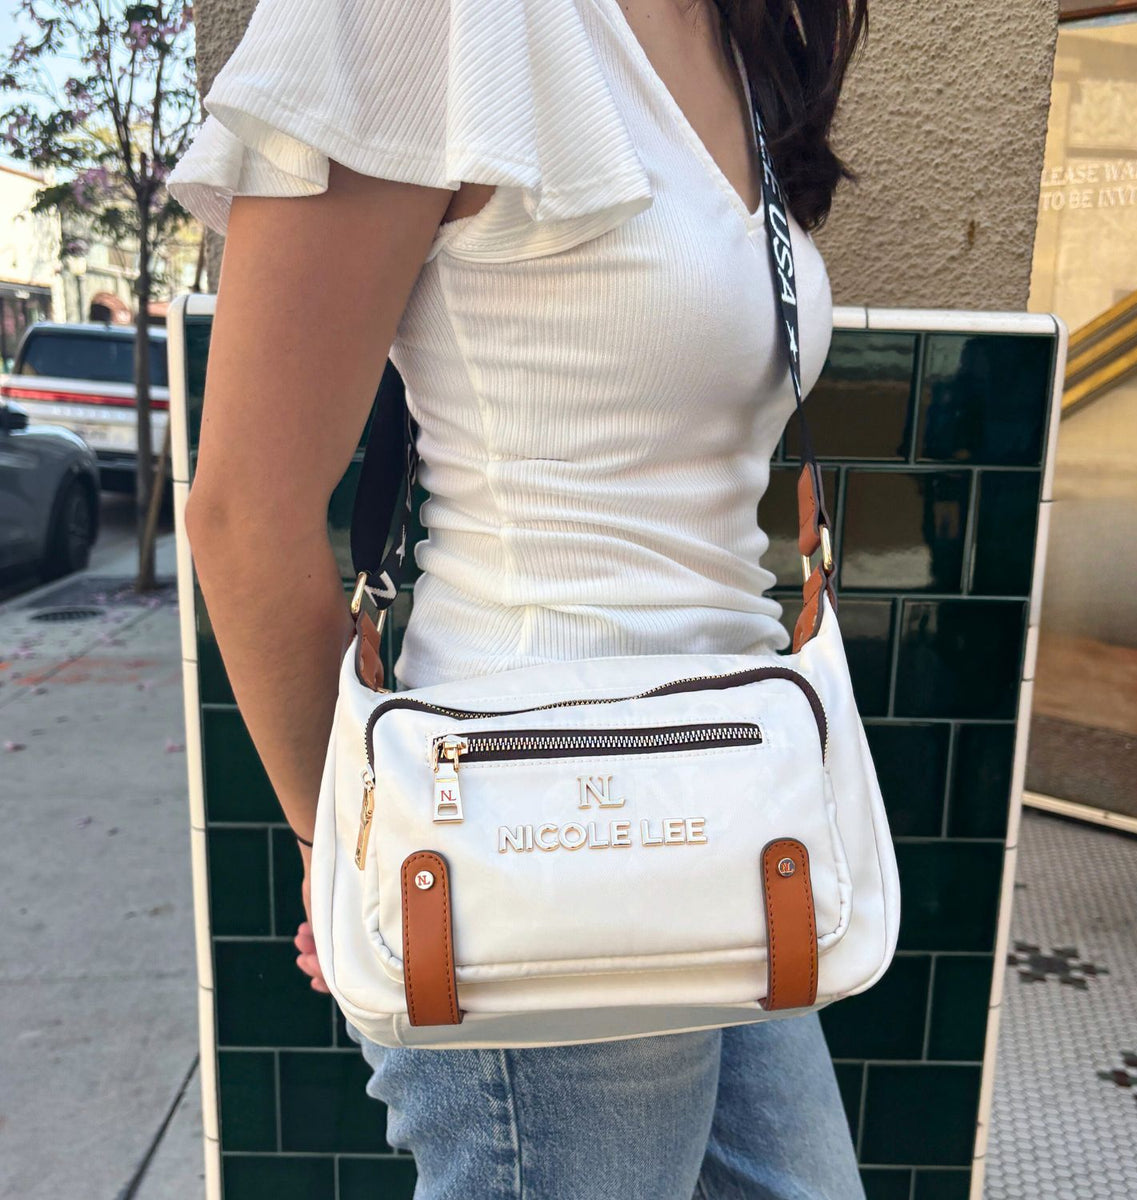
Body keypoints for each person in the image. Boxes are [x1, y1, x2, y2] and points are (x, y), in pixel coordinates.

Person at [167, 0, 870, 1195]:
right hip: (532, 836)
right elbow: (245, 516)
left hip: (744, 806)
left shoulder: (740, 42)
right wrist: (348, 847)